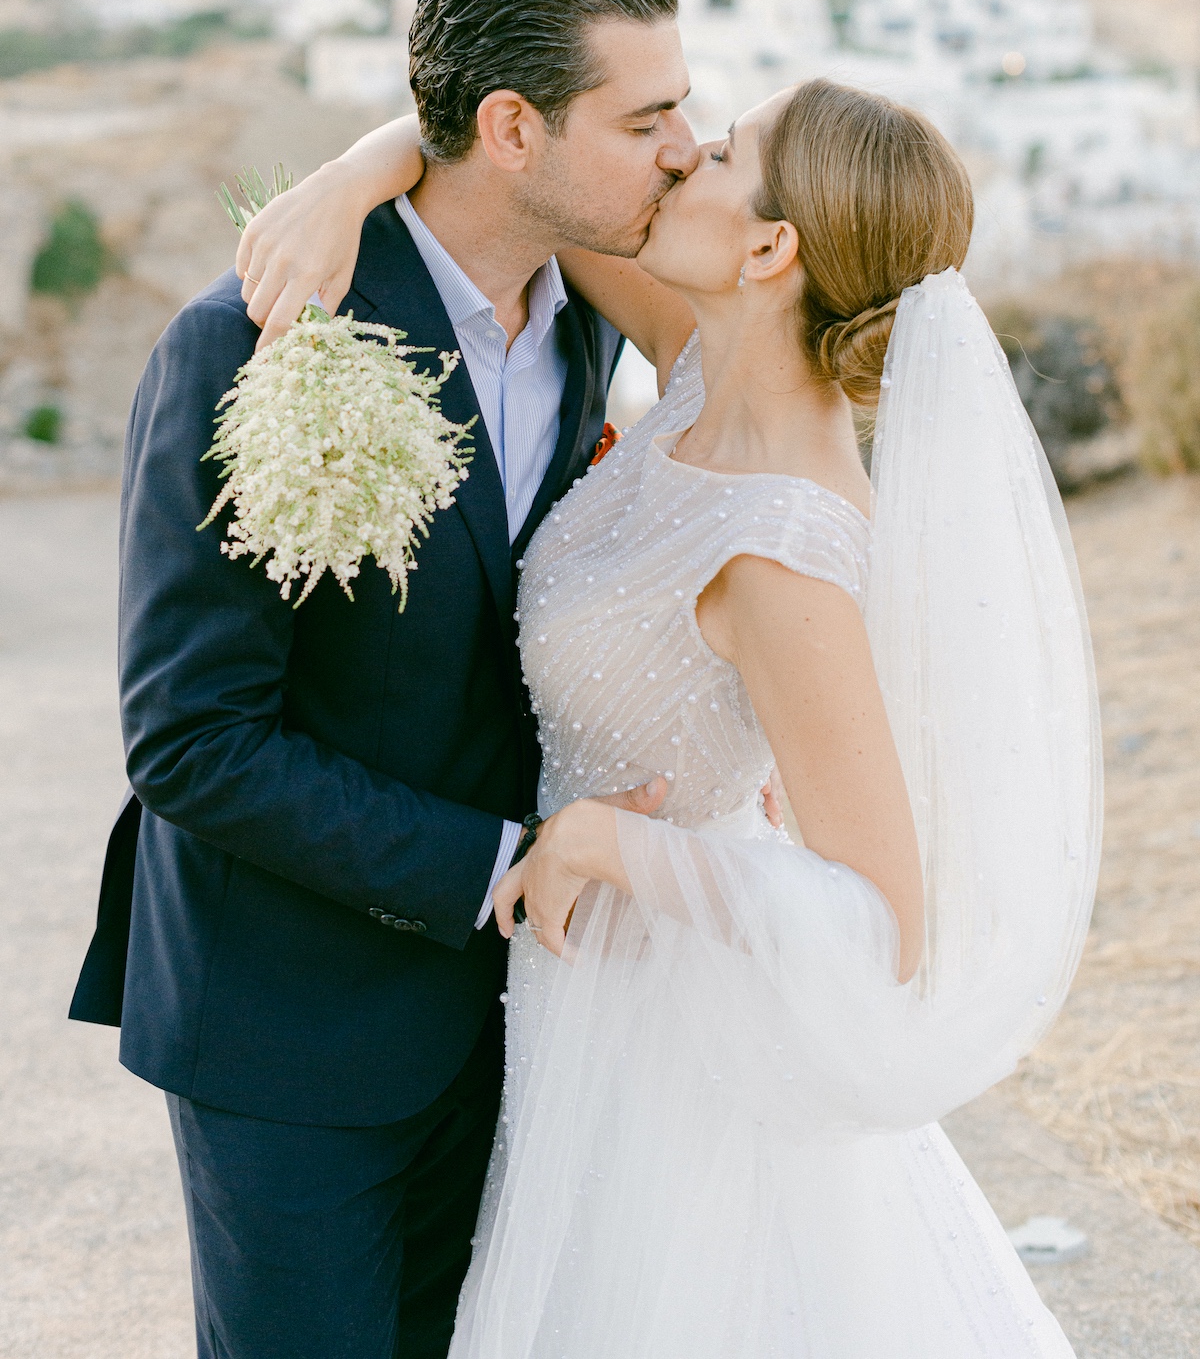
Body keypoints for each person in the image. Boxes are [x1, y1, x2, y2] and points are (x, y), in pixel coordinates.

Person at [242, 74, 1102, 1356]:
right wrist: (352, 178)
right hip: (578, 1002)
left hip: (674, 1040)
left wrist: (607, 844)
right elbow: (530, 187)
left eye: (725, 152)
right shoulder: (703, 367)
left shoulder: (786, 543)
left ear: (770, 247)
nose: (687, 152)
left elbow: (886, 929)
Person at [68, 0, 720, 1359]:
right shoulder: (253, 345)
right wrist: (499, 865)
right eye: (652, 114)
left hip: (524, 1025)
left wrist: (369, 157)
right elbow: (195, 737)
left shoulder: (589, 317)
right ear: (512, 129)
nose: (689, 143)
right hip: (291, 1019)